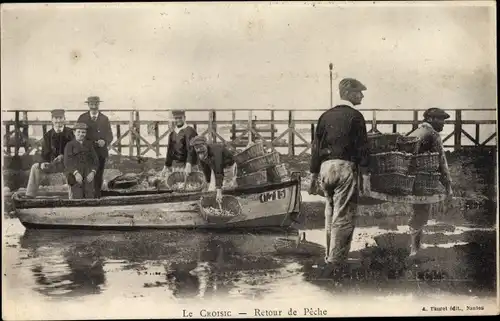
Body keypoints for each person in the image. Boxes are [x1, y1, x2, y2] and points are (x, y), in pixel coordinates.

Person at [308, 78, 370, 277]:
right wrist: (366, 176)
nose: (362, 96)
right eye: (359, 92)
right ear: (350, 94)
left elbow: (316, 148)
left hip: (326, 169)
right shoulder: (356, 116)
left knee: (330, 212)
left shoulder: (325, 116)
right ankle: (336, 262)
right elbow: (362, 148)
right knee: (343, 216)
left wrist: (312, 177)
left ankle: (329, 256)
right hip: (344, 168)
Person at [408, 107, 453, 257]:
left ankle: (416, 245)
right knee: (421, 211)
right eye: (441, 119)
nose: (443, 123)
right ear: (431, 119)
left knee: (418, 211)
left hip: (409, 178)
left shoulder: (416, 131)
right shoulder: (433, 134)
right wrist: (448, 185)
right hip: (423, 179)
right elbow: (441, 161)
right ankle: (415, 249)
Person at [25, 109, 74, 198]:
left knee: (73, 169)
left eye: (60, 118)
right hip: (52, 164)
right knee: (35, 167)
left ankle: (73, 198)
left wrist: (64, 156)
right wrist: (42, 163)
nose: (58, 121)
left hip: (67, 164)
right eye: (56, 118)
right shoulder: (48, 135)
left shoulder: (71, 133)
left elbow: (75, 149)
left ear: (64, 119)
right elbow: (43, 153)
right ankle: (30, 195)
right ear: (52, 120)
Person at [77, 96, 113, 198]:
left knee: (98, 173)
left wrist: (105, 141)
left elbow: (110, 135)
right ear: (88, 105)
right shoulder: (82, 118)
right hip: (86, 151)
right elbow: (77, 134)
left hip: (101, 152)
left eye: (95, 104)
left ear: (98, 104)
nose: (93, 106)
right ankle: (85, 195)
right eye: (91, 104)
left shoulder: (104, 119)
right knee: (86, 172)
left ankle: (97, 196)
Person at [189, 136, 235, 203]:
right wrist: (207, 183)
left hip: (227, 166)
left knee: (225, 186)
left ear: (205, 144)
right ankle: (215, 199)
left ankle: (224, 200)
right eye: (196, 148)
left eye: (201, 147)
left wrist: (219, 190)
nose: (199, 150)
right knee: (212, 187)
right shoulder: (200, 153)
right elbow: (205, 168)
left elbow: (219, 171)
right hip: (214, 165)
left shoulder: (216, 152)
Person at [64, 123, 99, 199]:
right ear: (74, 132)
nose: (81, 134)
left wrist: (93, 172)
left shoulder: (89, 145)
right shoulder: (69, 145)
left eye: (83, 132)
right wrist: (76, 173)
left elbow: (95, 160)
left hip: (87, 173)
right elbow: (67, 162)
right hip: (74, 173)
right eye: (78, 132)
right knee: (77, 197)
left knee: (89, 196)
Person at [162, 110, 198, 176]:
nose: (178, 120)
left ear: (184, 118)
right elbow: (170, 151)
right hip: (176, 166)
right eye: (176, 118)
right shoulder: (172, 134)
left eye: (180, 118)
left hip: (188, 165)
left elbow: (191, 149)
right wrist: (166, 166)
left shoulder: (190, 131)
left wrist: (189, 163)